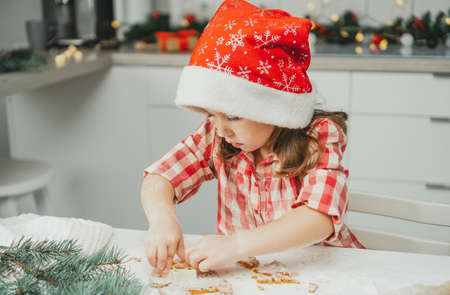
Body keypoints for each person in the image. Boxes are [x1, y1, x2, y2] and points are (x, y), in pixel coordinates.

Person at [141, 0, 365, 277]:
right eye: (212, 115)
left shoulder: (319, 136)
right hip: (255, 276)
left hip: (326, 273)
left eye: (234, 117)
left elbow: (319, 217)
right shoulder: (216, 134)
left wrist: (237, 244)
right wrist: (162, 218)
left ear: (273, 108)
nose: (222, 130)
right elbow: (159, 177)